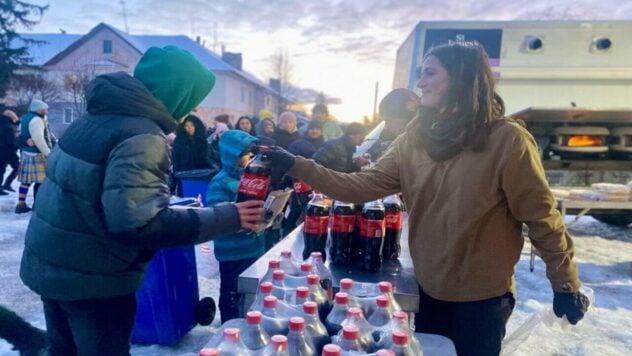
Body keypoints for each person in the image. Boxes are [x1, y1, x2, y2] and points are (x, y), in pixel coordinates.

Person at [263, 41, 589, 356]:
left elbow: (542, 219)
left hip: (482, 300)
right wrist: (296, 164)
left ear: (462, 77)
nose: (420, 82)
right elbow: (359, 186)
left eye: (430, 73)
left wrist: (565, 285)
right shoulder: (416, 138)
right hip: (429, 290)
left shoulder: (507, 140)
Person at [19, 46, 264, 355]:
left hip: (53, 264)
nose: (195, 108)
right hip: (94, 280)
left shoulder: (94, 119)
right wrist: (230, 216)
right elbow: (139, 224)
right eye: (194, 98)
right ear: (178, 93)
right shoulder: (142, 135)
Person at [205, 130, 266, 323]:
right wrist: (237, 219)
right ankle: (229, 325)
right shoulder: (220, 182)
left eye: (253, 153)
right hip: (232, 251)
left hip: (253, 247)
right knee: (232, 292)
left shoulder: (252, 177)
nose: (251, 158)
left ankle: (247, 321)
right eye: (246, 154)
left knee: (249, 291)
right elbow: (217, 214)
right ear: (233, 156)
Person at [15, 99, 52, 213]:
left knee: (26, 181)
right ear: (39, 109)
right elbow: (39, 139)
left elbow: (19, 134)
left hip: (27, 153)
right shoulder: (36, 120)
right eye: (45, 109)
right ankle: (38, 205)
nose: (47, 111)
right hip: (36, 154)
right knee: (41, 181)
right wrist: (48, 154)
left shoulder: (26, 118)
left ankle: (21, 204)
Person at [0, 108, 20, 194]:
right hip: (8, 152)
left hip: (2, 152)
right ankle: (7, 184)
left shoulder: (2, 124)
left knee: (1, 170)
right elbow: (11, 142)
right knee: (18, 168)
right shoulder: (8, 128)